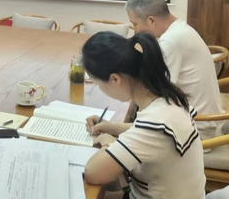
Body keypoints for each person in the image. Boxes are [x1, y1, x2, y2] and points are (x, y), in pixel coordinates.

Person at [83, 32, 205, 199]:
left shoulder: (154, 125)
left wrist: (108, 142)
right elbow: (150, 134)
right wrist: (114, 128)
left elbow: (93, 173)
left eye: (97, 83)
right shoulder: (168, 97)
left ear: (115, 79)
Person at [123, 0, 222, 139]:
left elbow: (157, 95)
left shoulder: (170, 42)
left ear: (151, 20)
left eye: (134, 24)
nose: (135, 31)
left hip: (196, 129)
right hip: (204, 120)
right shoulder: (181, 29)